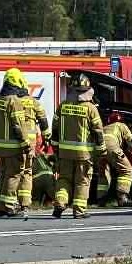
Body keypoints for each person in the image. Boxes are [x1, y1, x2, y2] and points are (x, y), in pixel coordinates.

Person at [0, 67, 44, 218]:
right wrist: (26, 144)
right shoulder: (14, 101)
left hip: (0, 146)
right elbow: (17, 126)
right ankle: (8, 207)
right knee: (14, 176)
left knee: (4, 175)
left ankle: (0, 207)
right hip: (14, 147)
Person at [51, 73, 104, 220]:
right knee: (82, 181)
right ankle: (79, 210)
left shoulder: (62, 106)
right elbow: (98, 131)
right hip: (84, 154)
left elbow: (54, 129)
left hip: (65, 153)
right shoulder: (91, 108)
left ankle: (59, 204)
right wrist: (101, 150)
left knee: (64, 179)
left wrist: (56, 149)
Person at [96, 117, 132, 206]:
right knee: (127, 170)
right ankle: (122, 199)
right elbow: (131, 139)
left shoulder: (105, 127)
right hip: (111, 146)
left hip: (98, 148)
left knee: (103, 173)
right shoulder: (121, 125)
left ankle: (101, 200)